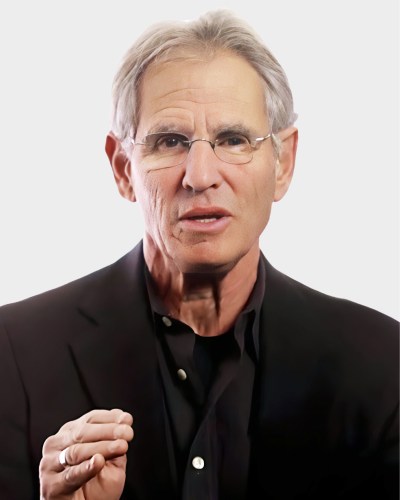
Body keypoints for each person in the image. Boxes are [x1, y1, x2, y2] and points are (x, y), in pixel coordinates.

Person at [0, 9, 398, 500]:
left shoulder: (383, 364)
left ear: (283, 163)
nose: (200, 174)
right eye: (170, 141)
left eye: (233, 140)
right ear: (123, 169)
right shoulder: (12, 352)